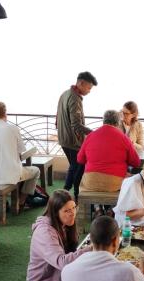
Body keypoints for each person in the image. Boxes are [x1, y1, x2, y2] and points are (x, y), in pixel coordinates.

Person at [27, 190, 90, 281]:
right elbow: (62, 262)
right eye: (67, 210)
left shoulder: (64, 224)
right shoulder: (45, 232)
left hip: (62, 277)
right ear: (55, 213)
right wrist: (92, 248)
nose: (72, 213)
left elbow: (72, 253)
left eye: (73, 207)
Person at [0, 101, 40, 209]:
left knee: (3, 170)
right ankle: (21, 202)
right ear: (4, 113)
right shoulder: (13, 129)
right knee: (35, 171)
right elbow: (22, 150)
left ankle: (7, 201)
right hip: (10, 175)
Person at [56, 71, 98, 201]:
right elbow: (76, 125)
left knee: (74, 166)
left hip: (63, 138)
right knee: (78, 167)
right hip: (72, 141)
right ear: (81, 83)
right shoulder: (74, 98)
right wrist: (93, 133)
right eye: (89, 87)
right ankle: (73, 195)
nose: (89, 91)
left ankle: (65, 193)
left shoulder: (65, 94)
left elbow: (57, 118)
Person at [77, 110, 140, 192]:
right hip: (114, 183)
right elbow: (136, 162)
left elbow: (80, 159)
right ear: (118, 123)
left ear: (103, 121)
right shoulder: (124, 138)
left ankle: (96, 204)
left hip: (91, 182)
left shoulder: (90, 136)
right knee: (131, 179)